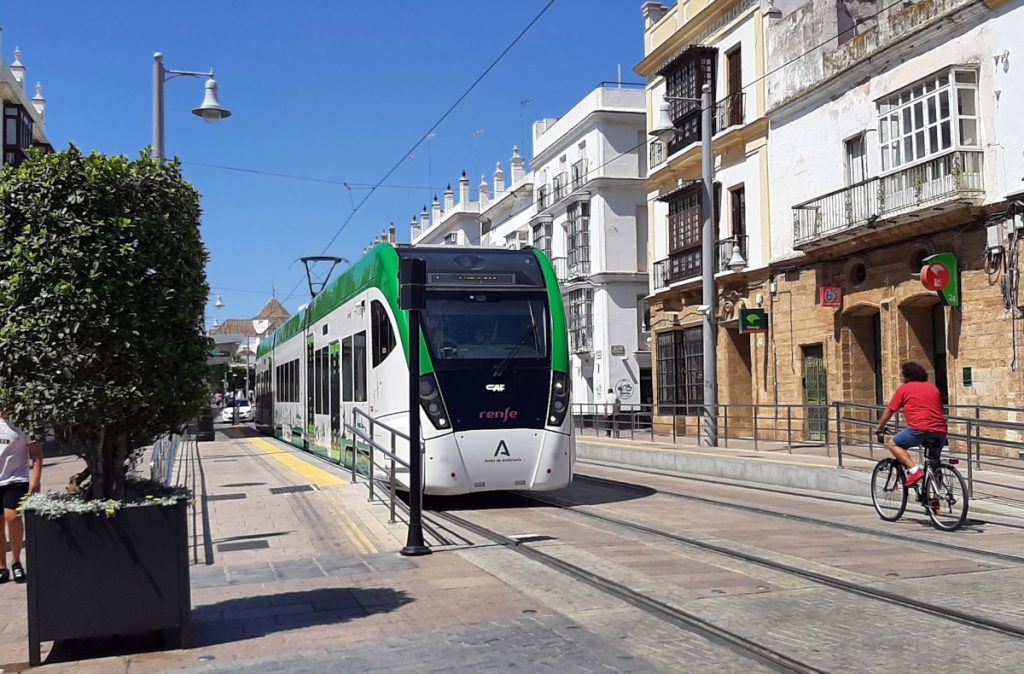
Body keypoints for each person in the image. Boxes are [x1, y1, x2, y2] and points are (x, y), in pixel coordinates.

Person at [874, 361, 948, 488]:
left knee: (893, 444)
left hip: (919, 429)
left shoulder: (904, 389)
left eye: (902, 375)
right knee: (934, 463)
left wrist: (880, 427)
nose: (902, 378)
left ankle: (914, 470)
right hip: (940, 430)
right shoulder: (933, 388)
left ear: (907, 376)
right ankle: (937, 498)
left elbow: (890, 410)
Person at [0, 409, 42, 584]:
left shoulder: (24, 423)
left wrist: (36, 480)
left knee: (13, 517)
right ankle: (1, 566)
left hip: (16, 479)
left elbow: (36, 454)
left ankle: (16, 561)